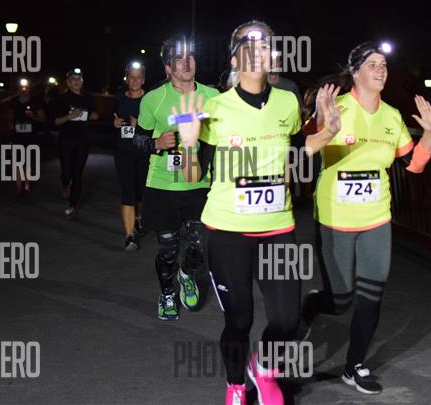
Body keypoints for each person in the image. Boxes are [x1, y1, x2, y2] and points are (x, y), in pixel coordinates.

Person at [175, 20, 341, 405]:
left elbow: (295, 150)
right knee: (240, 320)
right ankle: (236, 384)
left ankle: (263, 368)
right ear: (234, 59)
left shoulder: (287, 102)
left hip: (277, 228)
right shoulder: (214, 108)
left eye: (265, 46)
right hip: (227, 231)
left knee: (286, 320)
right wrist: (188, 144)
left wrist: (328, 132)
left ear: (273, 57)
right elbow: (191, 175)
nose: (258, 52)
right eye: (248, 46)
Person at [299, 41, 431, 395]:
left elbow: (413, 165)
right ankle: (312, 306)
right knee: (340, 299)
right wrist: (322, 124)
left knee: (372, 296)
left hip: (376, 219)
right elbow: (303, 150)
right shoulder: (336, 107)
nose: (380, 70)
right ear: (355, 71)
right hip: (335, 217)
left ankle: (354, 365)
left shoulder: (391, 116)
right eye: (372, 64)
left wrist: (430, 134)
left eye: (384, 65)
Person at [132, 35, 219, 321]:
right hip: (163, 185)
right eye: (179, 59)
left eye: (190, 57)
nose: (186, 63)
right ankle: (167, 293)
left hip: (199, 183)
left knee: (202, 247)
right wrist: (156, 143)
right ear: (168, 67)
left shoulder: (213, 96)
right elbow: (138, 140)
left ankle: (187, 273)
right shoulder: (153, 99)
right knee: (168, 249)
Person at [113, 63, 149, 250]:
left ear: (143, 79)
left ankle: (139, 216)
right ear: (126, 79)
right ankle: (129, 236)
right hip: (123, 152)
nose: (135, 80)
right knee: (128, 192)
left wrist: (139, 126)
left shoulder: (150, 99)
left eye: (138, 77)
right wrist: (114, 123)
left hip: (144, 153)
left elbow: (157, 128)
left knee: (140, 192)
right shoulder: (119, 98)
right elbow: (109, 119)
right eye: (131, 77)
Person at [53, 68, 99, 217]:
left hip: (82, 140)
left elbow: (94, 114)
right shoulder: (61, 99)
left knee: (78, 173)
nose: (76, 81)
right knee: (67, 172)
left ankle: (73, 204)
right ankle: (65, 184)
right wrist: (69, 116)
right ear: (68, 82)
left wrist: (94, 115)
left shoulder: (88, 98)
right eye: (73, 79)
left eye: (79, 79)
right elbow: (55, 122)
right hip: (66, 140)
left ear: (82, 81)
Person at [8, 78, 46, 196]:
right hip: (17, 135)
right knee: (16, 160)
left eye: (26, 87)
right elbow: (10, 117)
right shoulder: (13, 101)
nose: (24, 89)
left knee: (28, 160)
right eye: (21, 87)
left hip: (31, 135)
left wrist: (33, 116)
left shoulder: (35, 101)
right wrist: (10, 124)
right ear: (18, 89)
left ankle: (27, 182)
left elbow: (43, 118)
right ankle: (18, 186)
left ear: (30, 89)